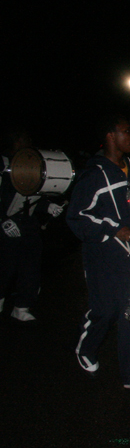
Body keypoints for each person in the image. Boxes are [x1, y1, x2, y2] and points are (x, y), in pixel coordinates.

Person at [67, 116, 130, 394]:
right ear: (110, 136)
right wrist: (112, 228)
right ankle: (86, 347)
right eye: (126, 131)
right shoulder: (94, 175)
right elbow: (77, 218)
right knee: (105, 310)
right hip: (104, 256)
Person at [0, 130, 65, 322]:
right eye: (26, 139)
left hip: (28, 224)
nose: (30, 143)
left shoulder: (32, 163)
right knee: (6, 265)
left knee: (31, 265)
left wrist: (48, 206)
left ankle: (22, 306)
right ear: (17, 140)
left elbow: (32, 194)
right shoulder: (3, 163)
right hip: (7, 224)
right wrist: (2, 221)